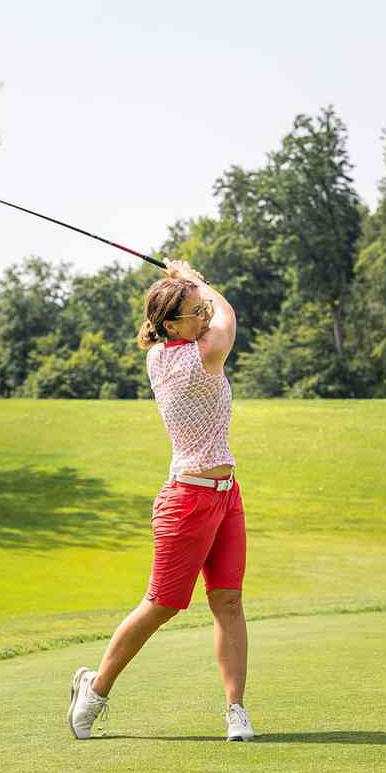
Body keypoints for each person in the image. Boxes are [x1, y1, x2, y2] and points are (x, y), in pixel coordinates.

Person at [66, 257, 255, 743]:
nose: (205, 316)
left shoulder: (171, 350)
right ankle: (95, 687)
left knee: (228, 601)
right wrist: (192, 278)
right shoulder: (192, 359)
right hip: (187, 501)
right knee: (163, 604)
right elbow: (229, 316)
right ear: (171, 325)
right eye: (196, 312)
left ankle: (235, 709)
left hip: (226, 497)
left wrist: (186, 287)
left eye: (202, 310)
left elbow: (212, 317)